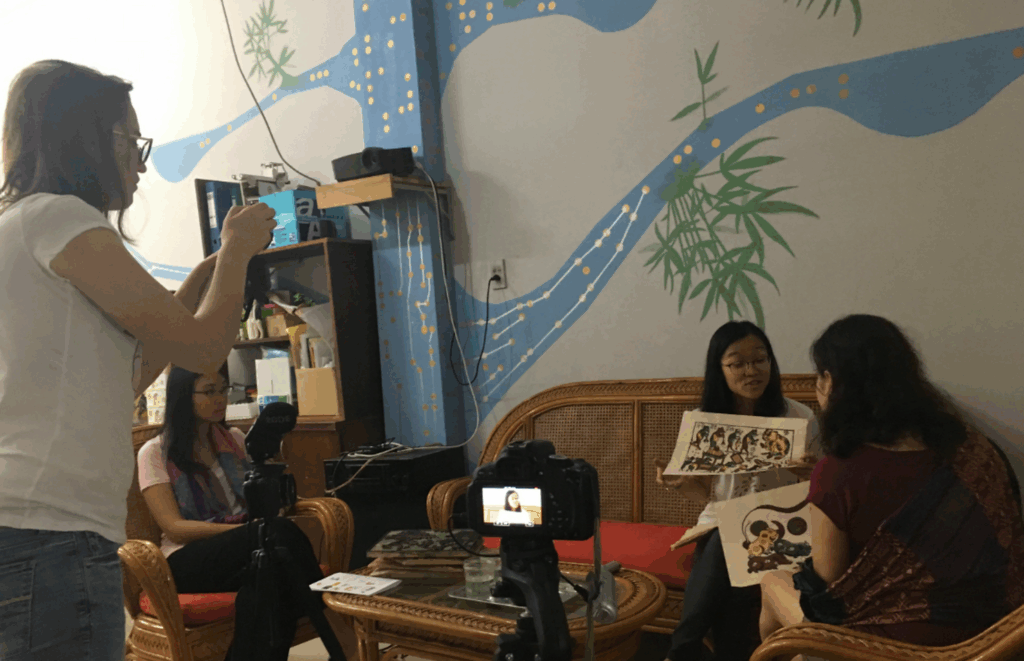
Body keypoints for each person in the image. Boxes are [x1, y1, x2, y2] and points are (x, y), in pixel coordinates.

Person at [0, 60, 275, 659]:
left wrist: (200, 280)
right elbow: (203, 350)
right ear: (89, 140)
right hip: (50, 530)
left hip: (31, 526)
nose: (141, 162)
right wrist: (236, 251)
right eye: (131, 140)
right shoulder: (59, 217)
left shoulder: (19, 226)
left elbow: (125, 376)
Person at [759, 314, 1024, 647]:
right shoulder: (971, 446)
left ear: (830, 382)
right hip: (997, 637)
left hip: (892, 648)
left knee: (772, 581)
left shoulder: (838, 472)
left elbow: (828, 589)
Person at [138, 367, 357, 660]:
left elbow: (257, 501)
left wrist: (273, 502)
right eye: (209, 391)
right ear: (183, 396)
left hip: (247, 549)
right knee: (276, 535)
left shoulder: (236, 440)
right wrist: (249, 531)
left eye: (224, 389)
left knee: (268, 583)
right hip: (184, 561)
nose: (220, 398)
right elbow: (174, 527)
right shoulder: (155, 452)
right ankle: (342, 635)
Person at [656, 321, 819, 661]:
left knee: (726, 542)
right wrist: (679, 481)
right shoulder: (704, 421)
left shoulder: (799, 417)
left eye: (760, 360)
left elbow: (822, 488)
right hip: (719, 525)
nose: (751, 371)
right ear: (720, 369)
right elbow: (704, 494)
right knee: (725, 536)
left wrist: (812, 472)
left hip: (779, 526)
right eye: (737, 363)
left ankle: (682, 649)